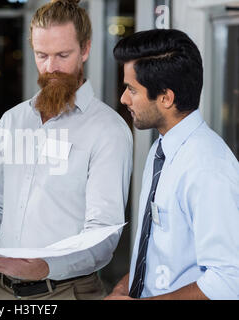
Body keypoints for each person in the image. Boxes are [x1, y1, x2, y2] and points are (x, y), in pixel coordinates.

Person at [0, 0, 133, 300]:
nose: (51, 67)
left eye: (62, 55)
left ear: (85, 49)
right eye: (41, 55)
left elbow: (103, 234)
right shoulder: (13, 120)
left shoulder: (107, 130)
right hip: (1, 290)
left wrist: (45, 267)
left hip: (65, 292)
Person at [105, 29, 239, 300]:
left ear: (166, 98)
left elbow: (229, 281)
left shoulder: (208, 167)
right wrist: (121, 291)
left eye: (132, 89)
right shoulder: (161, 150)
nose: (123, 99)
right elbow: (154, 255)